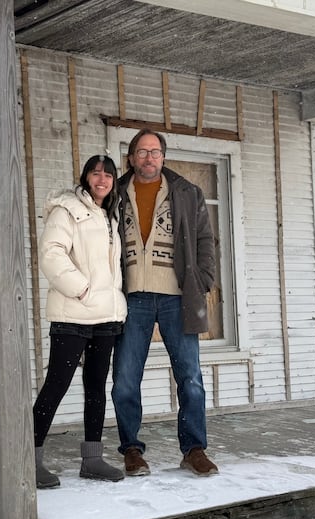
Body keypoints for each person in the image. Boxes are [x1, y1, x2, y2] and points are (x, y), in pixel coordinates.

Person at [111, 129, 218, 477]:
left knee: (190, 377)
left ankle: (194, 449)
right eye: (142, 152)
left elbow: (205, 238)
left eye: (155, 152)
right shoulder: (115, 193)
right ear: (131, 158)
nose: (149, 158)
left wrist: (203, 279)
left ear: (163, 157)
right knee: (125, 378)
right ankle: (131, 450)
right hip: (132, 297)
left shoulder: (187, 192)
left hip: (178, 297)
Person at [33, 155, 128, 489]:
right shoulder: (67, 210)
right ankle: (28, 459)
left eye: (108, 175)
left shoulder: (110, 215)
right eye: (96, 173)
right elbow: (51, 253)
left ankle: (92, 459)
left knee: (96, 387)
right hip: (72, 314)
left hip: (105, 317)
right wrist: (81, 289)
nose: (102, 180)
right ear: (86, 177)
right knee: (56, 385)